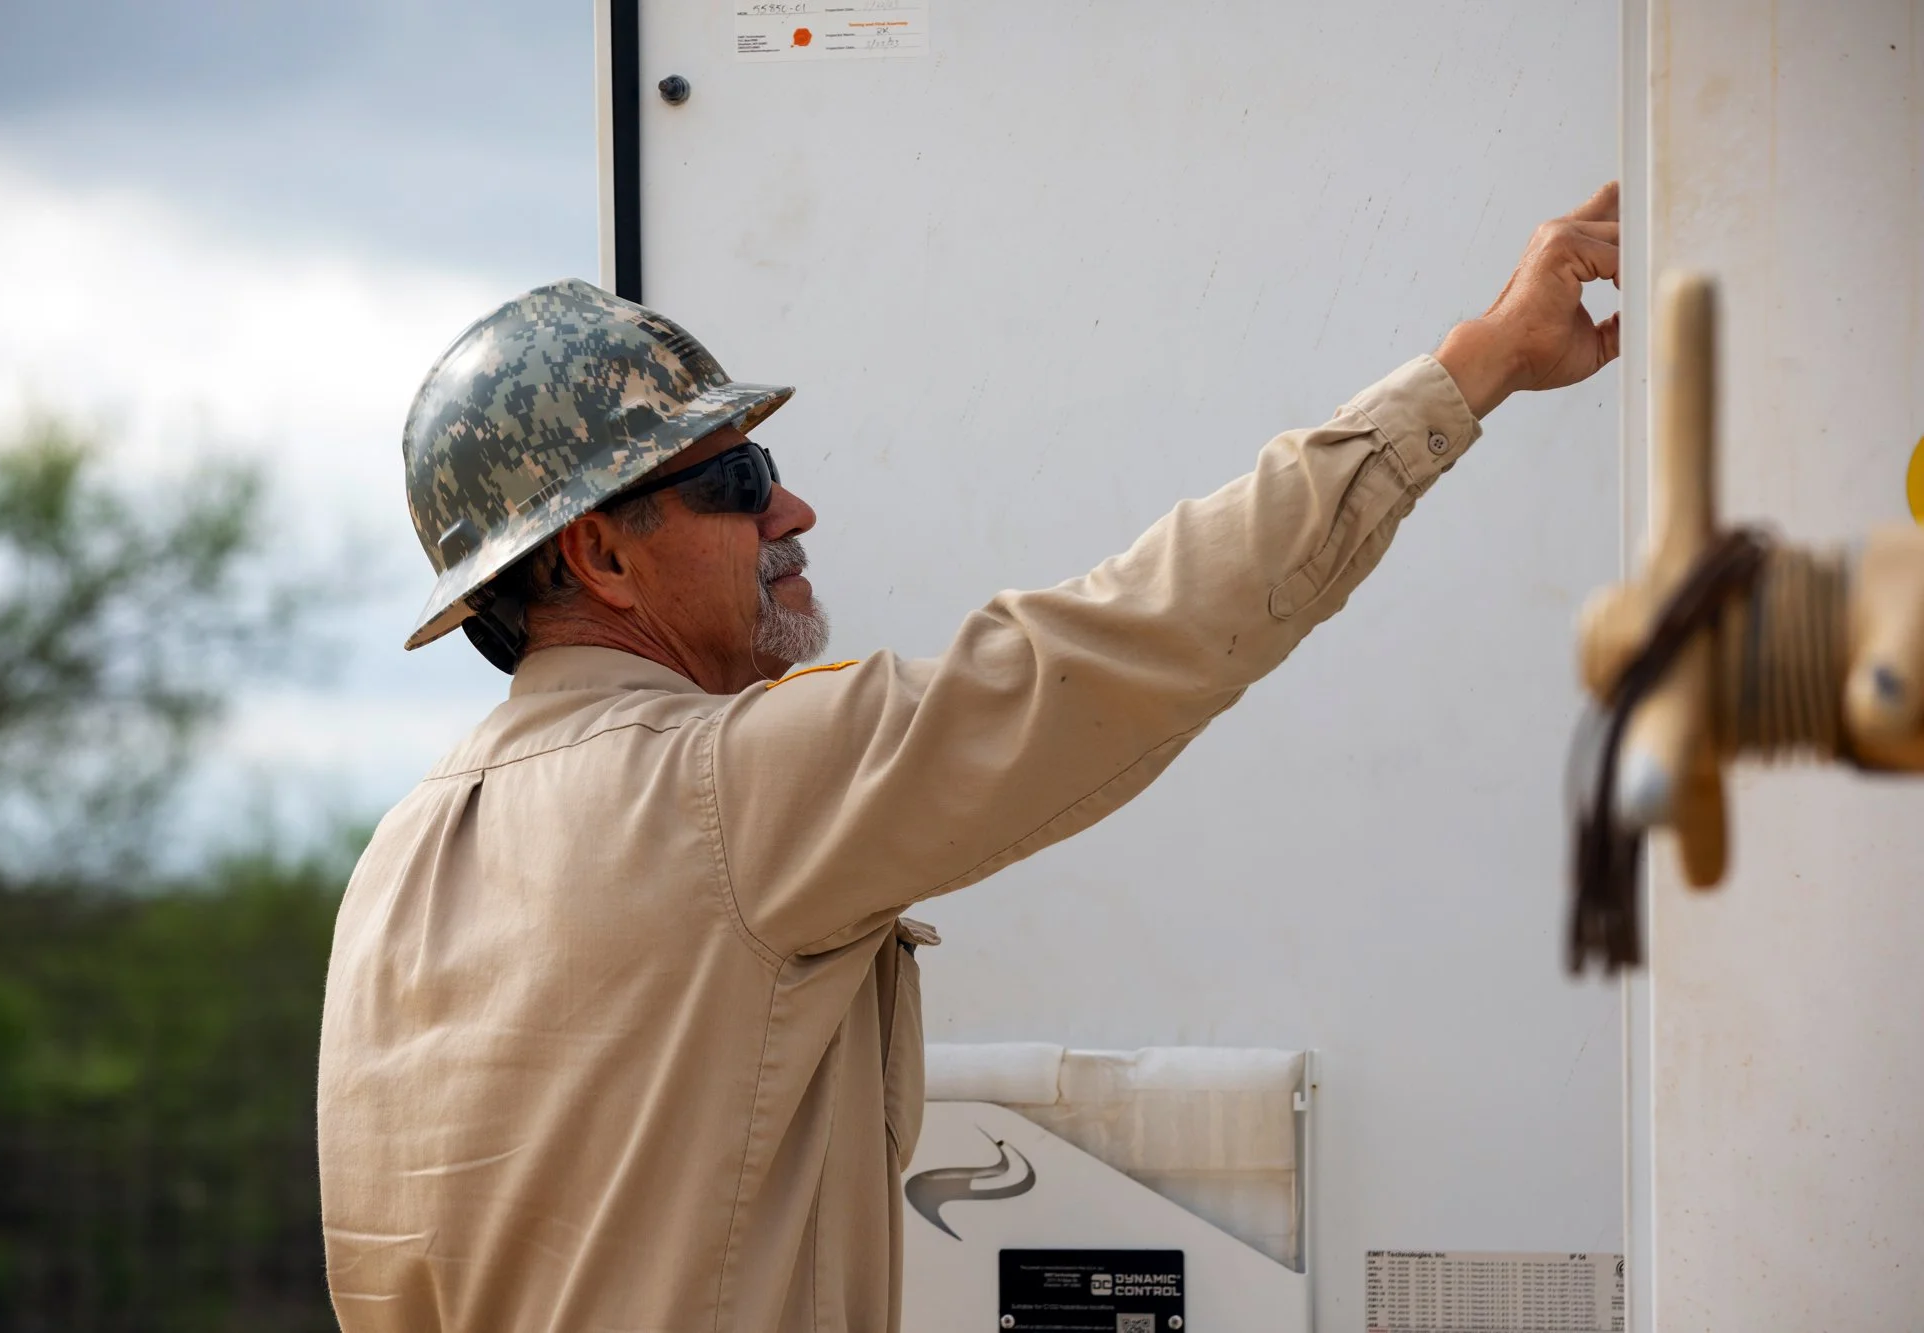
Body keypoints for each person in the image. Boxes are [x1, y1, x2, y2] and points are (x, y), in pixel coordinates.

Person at [317, 185, 1623, 1331]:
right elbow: (1129, 641)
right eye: (741, 478)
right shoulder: (723, 788)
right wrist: (1475, 367)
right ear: (598, 555)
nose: (793, 509)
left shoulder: (394, 865)